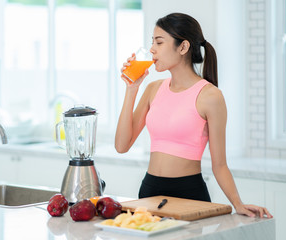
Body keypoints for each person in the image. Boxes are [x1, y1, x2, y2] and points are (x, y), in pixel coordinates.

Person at [115, 12, 272, 218]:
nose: (152, 49)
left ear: (183, 47)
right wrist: (131, 89)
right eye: (152, 42)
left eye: (159, 42)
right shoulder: (153, 89)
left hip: (189, 193)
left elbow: (220, 165)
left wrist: (238, 204)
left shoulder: (210, 96)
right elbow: (121, 145)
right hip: (149, 191)